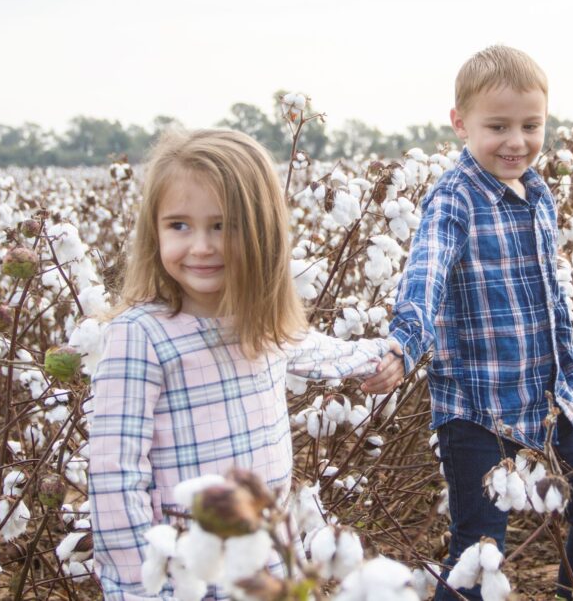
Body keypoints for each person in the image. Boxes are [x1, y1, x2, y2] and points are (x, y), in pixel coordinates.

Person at [88, 129, 404, 599]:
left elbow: (314, 350)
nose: (201, 246)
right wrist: (142, 585)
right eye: (179, 225)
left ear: (262, 233)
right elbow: (114, 474)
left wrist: (382, 356)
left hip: (266, 556)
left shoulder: (257, 321)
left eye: (224, 226)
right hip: (187, 567)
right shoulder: (141, 336)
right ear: (153, 231)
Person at [388, 45, 573, 600]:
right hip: (476, 410)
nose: (516, 141)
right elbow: (427, 275)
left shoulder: (538, 195)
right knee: (479, 552)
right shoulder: (453, 198)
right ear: (459, 123)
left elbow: (552, 302)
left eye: (530, 125)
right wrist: (402, 344)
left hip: (547, 400)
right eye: (497, 126)